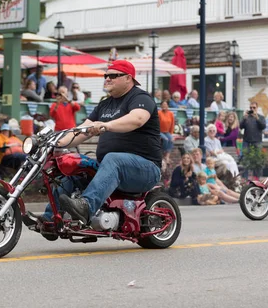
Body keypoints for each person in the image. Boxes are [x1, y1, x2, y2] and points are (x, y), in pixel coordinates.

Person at [40, 59, 162, 228]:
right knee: (76, 167)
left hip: (145, 168)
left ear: (128, 78)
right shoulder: (105, 104)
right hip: (108, 166)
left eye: (113, 75)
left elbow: (138, 119)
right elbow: (81, 131)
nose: (107, 79)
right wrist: (53, 143)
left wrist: (107, 125)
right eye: (106, 75)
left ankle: (86, 206)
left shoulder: (140, 97)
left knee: (113, 159)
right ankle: (50, 219)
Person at [158, 100, 175, 165]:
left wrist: (171, 133)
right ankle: (163, 153)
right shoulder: (159, 113)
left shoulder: (171, 113)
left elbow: (172, 124)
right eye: (163, 105)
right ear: (161, 106)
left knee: (171, 139)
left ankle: (167, 156)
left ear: (167, 106)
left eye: (165, 105)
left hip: (167, 131)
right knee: (165, 139)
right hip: (159, 131)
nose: (164, 106)